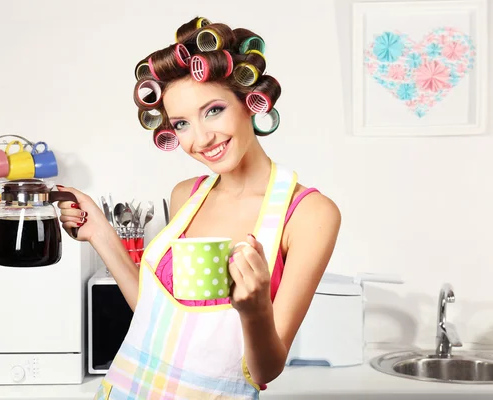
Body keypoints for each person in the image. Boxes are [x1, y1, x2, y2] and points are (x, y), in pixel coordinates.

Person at [57, 16, 341, 400]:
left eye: (213, 111)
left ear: (248, 101)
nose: (201, 139)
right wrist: (100, 234)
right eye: (181, 124)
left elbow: (265, 370)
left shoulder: (309, 215)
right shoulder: (185, 196)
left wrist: (255, 309)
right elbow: (155, 315)